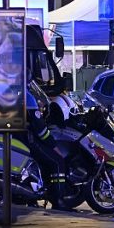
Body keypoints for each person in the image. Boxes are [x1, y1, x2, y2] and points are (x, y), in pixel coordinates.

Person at [23, 79, 70, 209]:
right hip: (29, 139)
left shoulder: (10, 92)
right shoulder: (27, 97)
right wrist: (53, 145)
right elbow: (40, 129)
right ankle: (58, 200)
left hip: (18, 137)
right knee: (58, 162)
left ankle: (36, 194)